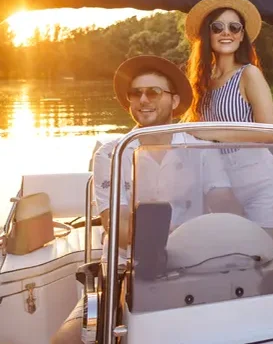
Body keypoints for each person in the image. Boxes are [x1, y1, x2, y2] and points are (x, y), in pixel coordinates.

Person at [51, 55, 244, 344]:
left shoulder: (201, 148)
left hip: (195, 263)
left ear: (175, 101)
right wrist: (184, 236)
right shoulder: (110, 153)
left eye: (153, 92)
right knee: (64, 341)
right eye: (136, 93)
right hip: (125, 269)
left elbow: (224, 202)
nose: (143, 99)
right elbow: (119, 228)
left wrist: (236, 229)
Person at [181, 0, 273, 236]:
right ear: (207, 34)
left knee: (261, 257)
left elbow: (269, 133)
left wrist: (209, 132)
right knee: (229, 256)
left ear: (242, 35)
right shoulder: (201, 82)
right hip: (219, 186)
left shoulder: (249, 74)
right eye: (217, 27)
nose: (226, 32)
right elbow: (189, 131)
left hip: (259, 183)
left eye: (234, 27)